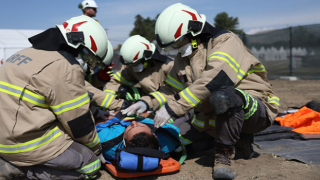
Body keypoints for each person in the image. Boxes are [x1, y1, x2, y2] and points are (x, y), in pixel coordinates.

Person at [122, 3, 280, 180]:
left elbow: (216, 78)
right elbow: (170, 88)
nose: (176, 48)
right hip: (210, 118)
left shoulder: (225, 41)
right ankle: (235, 140)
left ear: (194, 30)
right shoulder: (184, 58)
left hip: (255, 108)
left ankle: (224, 153)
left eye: (178, 41)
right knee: (178, 145)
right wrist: (146, 102)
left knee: (223, 96)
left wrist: (173, 108)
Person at [0, 15, 112, 179]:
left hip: (6, 136)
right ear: (78, 44)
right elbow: (78, 123)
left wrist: (94, 113)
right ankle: (23, 170)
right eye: (88, 56)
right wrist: (96, 150)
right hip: (23, 144)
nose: (86, 62)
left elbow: (47, 100)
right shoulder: (65, 67)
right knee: (91, 164)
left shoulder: (25, 53)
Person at [103, 35, 174, 111]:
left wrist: (146, 103)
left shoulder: (169, 66)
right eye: (131, 65)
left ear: (147, 56)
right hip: (146, 103)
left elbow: (173, 94)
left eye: (136, 64)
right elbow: (115, 82)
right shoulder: (132, 65)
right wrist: (109, 101)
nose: (133, 67)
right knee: (123, 90)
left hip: (169, 107)